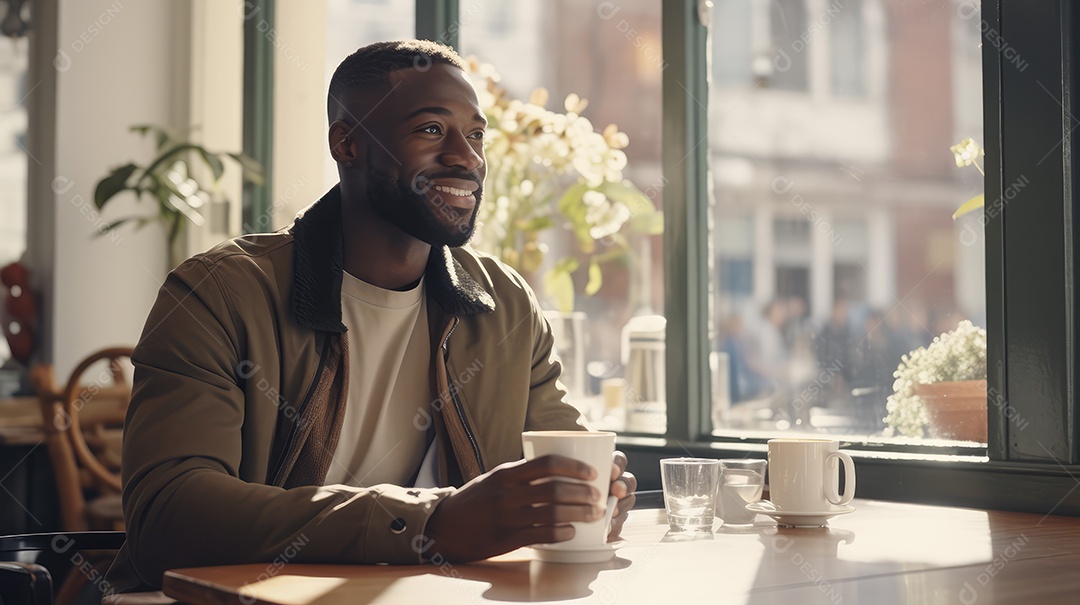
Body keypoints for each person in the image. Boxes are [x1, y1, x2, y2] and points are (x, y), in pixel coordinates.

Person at [106, 39, 637, 592]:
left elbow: (560, 465)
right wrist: (429, 524)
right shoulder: (219, 293)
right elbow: (168, 511)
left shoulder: (503, 304)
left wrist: (591, 498)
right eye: (431, 129)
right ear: (348, 143)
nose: (467, 157)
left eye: (476, 134)